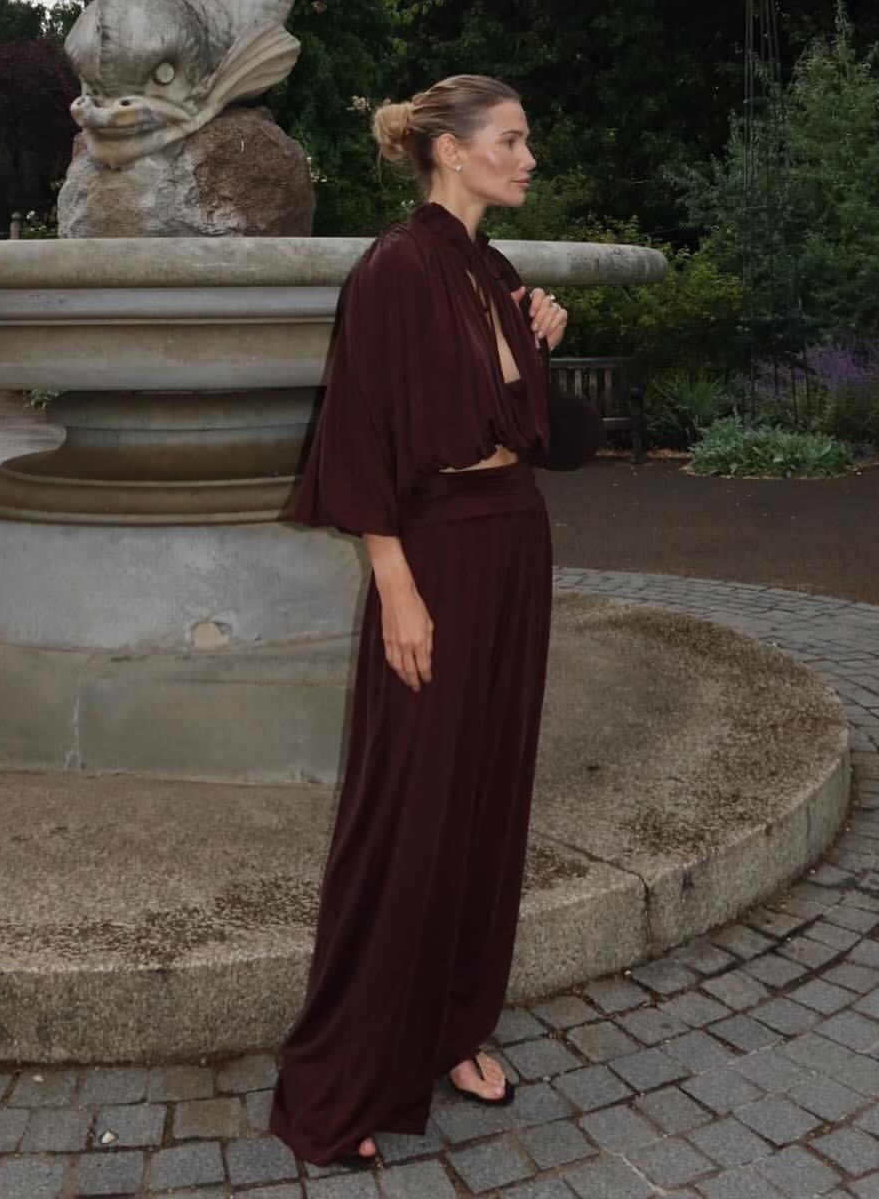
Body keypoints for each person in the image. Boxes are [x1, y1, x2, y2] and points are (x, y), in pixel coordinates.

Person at [267, 74, 569, 1169]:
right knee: (406, 810)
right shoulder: (394, 269)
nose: (528, 158)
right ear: (451, 151)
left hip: (514, 546)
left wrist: (544, 339)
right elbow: (361, 437)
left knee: (486, 800)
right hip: (435, 556)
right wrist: (395, 585)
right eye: (512, 139)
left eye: (526, 141)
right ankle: (342, 1080)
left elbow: (544, 434)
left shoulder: (494, 271)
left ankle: (453, 1028)